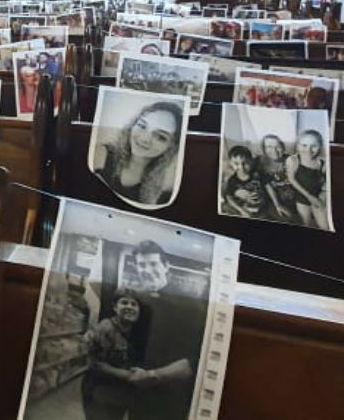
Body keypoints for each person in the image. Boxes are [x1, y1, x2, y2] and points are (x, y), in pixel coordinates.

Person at [126, 241, 205, 420]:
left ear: (166, 266)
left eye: (153, 264)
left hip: (170, 396)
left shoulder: (190, 305)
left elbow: (194, 360)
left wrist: (152, 375)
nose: (146, 269)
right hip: (137, 394)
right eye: (141, 264)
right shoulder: (138, 300)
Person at [96, 101, 184, 207]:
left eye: (161, 137)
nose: (144, 139)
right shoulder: (101, 154)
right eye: (142, 126)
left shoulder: (165, 188)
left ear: (171, 147)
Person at [81, 289, 145, 420]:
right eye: (124, 302)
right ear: (115, 307)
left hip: (118, 391)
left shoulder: (135, 330)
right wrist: (125, 374)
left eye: (134, 304)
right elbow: (92, 363)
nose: (129, 307)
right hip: (98, 389)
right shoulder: (106, 328)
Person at [287, 128, 330, 230]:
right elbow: (292, 180)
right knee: (305, 224)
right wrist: (310, 197)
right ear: (297, 146)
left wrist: (323, 196)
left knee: (325, 227)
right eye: (304, 145)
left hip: (318, 197)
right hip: (302, 197)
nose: (308, 150)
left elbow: (326, 182)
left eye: (313, 146)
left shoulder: (322, 163)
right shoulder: (293, 160)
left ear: (320, 147)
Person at [259, 133, 298, 221]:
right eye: (269, 147)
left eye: (277, 146)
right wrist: (278, 205)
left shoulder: (291, 160)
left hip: (297, 200)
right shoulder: (261, 164)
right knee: (288, 218)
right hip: (276, 201)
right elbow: (267, 185)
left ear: (283, 147)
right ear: (264, 149)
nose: (274, 150)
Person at [222, 146, 268, 219]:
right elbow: (229, 197)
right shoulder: (232, 180)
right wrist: (241, 210)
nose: (241, 167)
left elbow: (268, 186)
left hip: (260, 207)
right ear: (231, 163)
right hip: (243, 208)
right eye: (236, 164)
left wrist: (277, 204)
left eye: (245, 163)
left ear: (251, 161)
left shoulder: (257, 174)